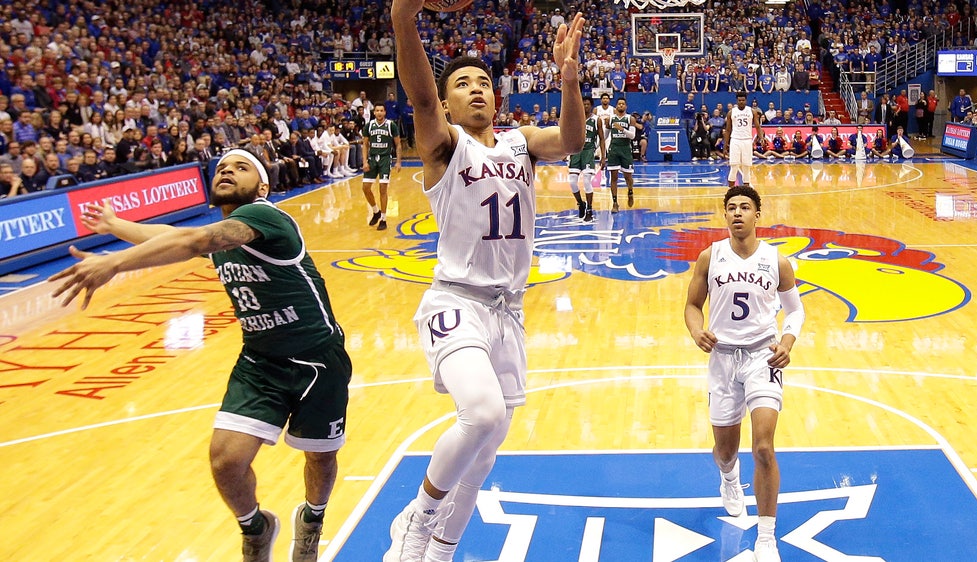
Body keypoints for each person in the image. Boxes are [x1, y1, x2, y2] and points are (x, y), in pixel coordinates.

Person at [48, 149, 353, 562]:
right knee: (226, 462)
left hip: (317, 361)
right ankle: (256, 528)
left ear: (262, 186)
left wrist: (114, 263)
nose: (226, 170)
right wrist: (117, 225)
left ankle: (312, 521)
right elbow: (168, 237)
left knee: (320, 456)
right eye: (221, 167)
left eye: (240, 167)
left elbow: (194, 240)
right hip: (261, 362)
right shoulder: (226, 231)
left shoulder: (267, 216)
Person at [386, 1, 586, 560]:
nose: (476, 90)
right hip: (456, 301)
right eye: (463, 85)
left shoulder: (520, 141)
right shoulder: (445, 146)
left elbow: (571, 140)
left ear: (496, 96)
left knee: (489, 446)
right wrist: (404, 17)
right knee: (482, 412)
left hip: (508, 310)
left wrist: (569, 79)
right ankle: (416, 521)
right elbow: (420, 97)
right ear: (447, 103)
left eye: (483, 82)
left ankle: (442, 548)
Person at [684, 185, 804, 562]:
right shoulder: (710, 256)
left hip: (762, 358)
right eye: (731, 208)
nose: (737, 213)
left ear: (758, 215)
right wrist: (695, 330)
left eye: (744, 207)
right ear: (725, 215)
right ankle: (729, 478)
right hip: (721, 359)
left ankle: (766, 538)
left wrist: (787, 342)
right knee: (725, 451)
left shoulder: (776, 261)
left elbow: (795, 311)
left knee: (764, 447)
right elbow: (691, 305)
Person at [362, 101, 403, 231]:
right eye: (377, 110)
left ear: (385, 112)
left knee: (382, 190)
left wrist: (398, 161)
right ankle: (376, 211)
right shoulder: (369, 126)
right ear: (374, 112)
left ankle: (384, 219)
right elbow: (365, 145)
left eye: (381, 110)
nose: (379, 113)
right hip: (372, 158)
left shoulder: (391, 125)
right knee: (365, 188)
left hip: (385, 159)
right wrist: (364, 161)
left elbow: (398, 144)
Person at [567, 95, 604, 221]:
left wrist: (603, 157)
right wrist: (565, 152)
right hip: (576, 151)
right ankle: (580, 203)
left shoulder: (596, 120)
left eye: (588, 104)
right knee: (572, 182)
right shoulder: (575, 119)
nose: (585, 106)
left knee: (587, 181)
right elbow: (567, 136)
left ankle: (589, 209)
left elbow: (602, 139)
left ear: (591, 105)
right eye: (583, 104)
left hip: (588, 151)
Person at [723, 91, 763, 187]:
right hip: (735, 140)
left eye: (743, 100)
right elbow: (728, 130)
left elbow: (757, 126)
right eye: (739, 100)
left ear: (746, 100)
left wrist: (761, 138)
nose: (741, 102)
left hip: (747, 140)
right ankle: (731, 189)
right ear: (737, 100)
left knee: (746, 166)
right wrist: (725, 145)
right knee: (734, 166)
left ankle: (746, 189)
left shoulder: (752, 111)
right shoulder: (731, 112)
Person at [607, 97, 640, 211]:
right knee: (613, 177)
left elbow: (632, 136)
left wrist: (622, 129)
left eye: (623, 104)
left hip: (625, 149)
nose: (621, 105)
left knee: (628, 177)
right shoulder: (610, 119)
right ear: (616, 106)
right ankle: (615, 203)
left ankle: (630, 191)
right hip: (614, 149)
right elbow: (605, 136)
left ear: (626, 106)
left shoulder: (630, 119)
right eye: (619, 104)